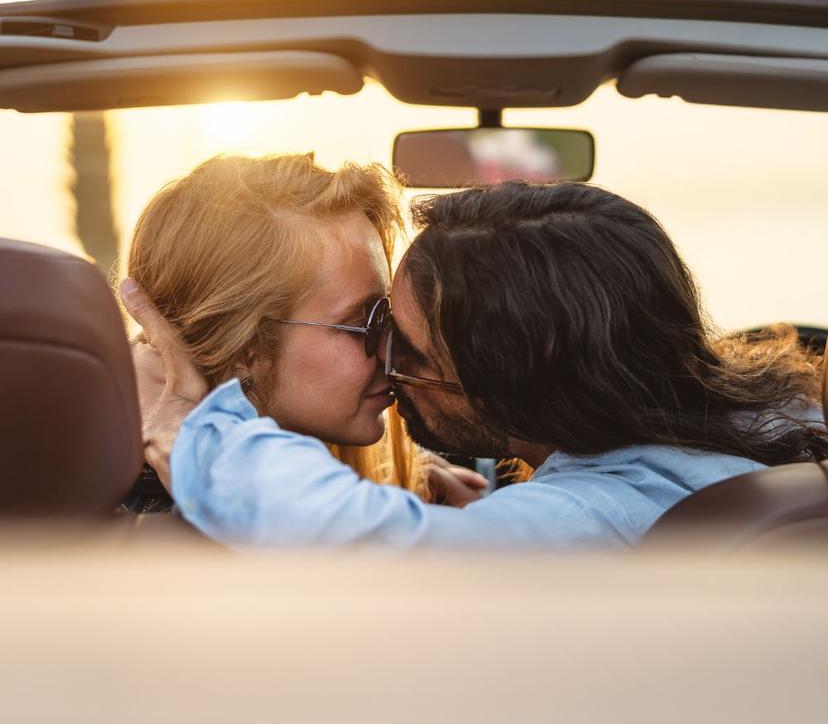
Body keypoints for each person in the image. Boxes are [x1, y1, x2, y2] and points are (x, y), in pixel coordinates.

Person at [121, 181, 827, 550]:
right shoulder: (765, 429)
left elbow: (367, 547)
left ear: (512, 378)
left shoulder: (596, 514)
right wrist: (490, 515)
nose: (389, 363)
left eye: (400, 339)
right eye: (366, 324)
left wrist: (191, 431)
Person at [120, 153, 488, 513]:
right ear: (244, 350)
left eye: (388, 313)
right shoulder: (177, 530)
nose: (392, 347)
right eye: (364, 322)